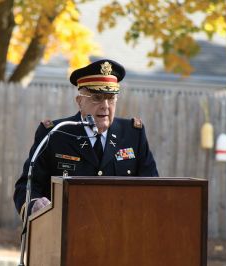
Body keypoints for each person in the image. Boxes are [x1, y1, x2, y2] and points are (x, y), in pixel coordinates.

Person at [13, 59, 159, 218]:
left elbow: (152, 188)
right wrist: (34, 204)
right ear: (80, 101)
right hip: (67, 232)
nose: (105, 105)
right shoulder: (55, 134)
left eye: (110, 97)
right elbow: (27, 186)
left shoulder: (132, 134)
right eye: (97, 97)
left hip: (122, 231)